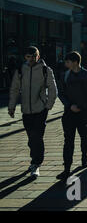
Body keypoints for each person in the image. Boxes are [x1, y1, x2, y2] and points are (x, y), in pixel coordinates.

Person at [8, 46, 58, 178]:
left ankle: (36, 163)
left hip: (40, 109)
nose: (31, 59)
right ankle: (35, 158)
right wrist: (11, 106)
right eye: (28, 57)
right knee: (31, 138)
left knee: (37, 137)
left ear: (38, 56)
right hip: (26, 110)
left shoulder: (45, 70)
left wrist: (48, 105)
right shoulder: (20, 70)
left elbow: (53, 89)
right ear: (25, 57)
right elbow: (14, 89)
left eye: (33, 56)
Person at [57, 51, 87, 181]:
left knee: (85, 137)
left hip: (84, 114)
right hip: (69, 114)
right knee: (68, 141)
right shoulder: (65, 75)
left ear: (75, 62)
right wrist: (69, 106)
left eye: (67, 61)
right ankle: (67, 168)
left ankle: (84, 155)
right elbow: (61, 93)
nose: (65, 64)